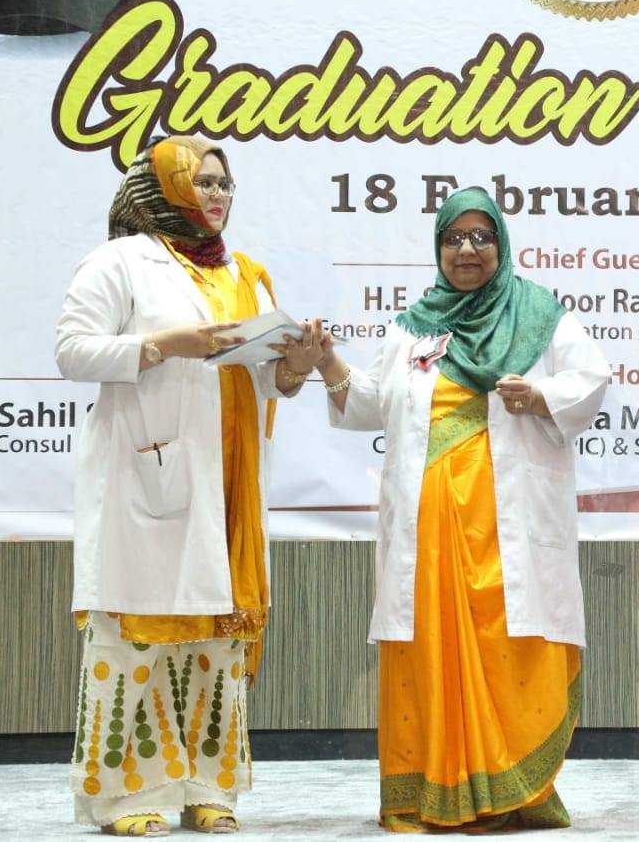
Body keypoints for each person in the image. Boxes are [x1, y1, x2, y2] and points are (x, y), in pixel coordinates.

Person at [314, 187, 610, 831]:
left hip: (506, 525)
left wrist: (540, 394)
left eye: (481, 237)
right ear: (438, 247)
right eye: (454, 238)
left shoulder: (539, 314)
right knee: (430, 649)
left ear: (500, 245)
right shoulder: (415, 324)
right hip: (428, 531)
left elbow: (590, 380)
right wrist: (328, 361)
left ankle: (514, 792)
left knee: (512, 644)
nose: (467, 250)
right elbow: (371, 404)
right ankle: (433, 793)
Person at [56, 136, 326, 836]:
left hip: (229, 481)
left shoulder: (248, 272)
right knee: (140, 629)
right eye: (202, 182)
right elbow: (72, 350)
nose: (215, 196)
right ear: (165, 189)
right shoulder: (121, 262)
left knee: (216, 637)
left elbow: (271, 380)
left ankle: (210, 788)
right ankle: (126, 795)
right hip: (150, 474)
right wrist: (169, 344)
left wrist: (296, 363)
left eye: (224, 185)